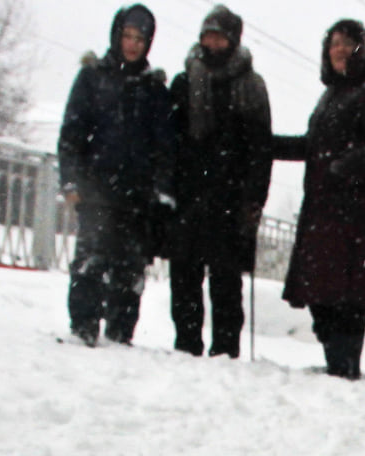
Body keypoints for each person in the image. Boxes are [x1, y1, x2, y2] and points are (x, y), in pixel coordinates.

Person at [274, 18, 365, 379]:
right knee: (321, 291)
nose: (339, 50)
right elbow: (313, 146)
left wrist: (341, 169)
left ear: (362, 48)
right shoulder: (331, 96)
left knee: (348, 293)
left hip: (354, 211)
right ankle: (335, 359)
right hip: (322, 207)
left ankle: (345, 365)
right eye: (333, 44)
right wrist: (267, 145)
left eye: (346, 43)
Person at [58, 4, 175, 347]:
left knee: (129, 269)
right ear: (116, 35)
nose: (133, 44)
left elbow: (165, 148)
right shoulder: (93, 77)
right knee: (90, 261)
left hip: (136, 198)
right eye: (127, 36)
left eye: (140, 38)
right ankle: (83, 327)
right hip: (95, 189)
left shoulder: (154, 90)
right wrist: (71, 180)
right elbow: (72, 135)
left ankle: (121, 334)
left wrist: (161, 192)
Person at [168, 5, 273, 358]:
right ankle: (186, 344)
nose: (212, 42)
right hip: (188, 194)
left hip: (230, 197)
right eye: (207, 35)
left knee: (226, 280)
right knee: (184, 275)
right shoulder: (184, 81)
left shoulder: (250, 86)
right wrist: (168, 187)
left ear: (233, 39)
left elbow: (260, 149)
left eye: (220, 35)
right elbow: (170, 140)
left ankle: (225, 351)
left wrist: (254, 199)